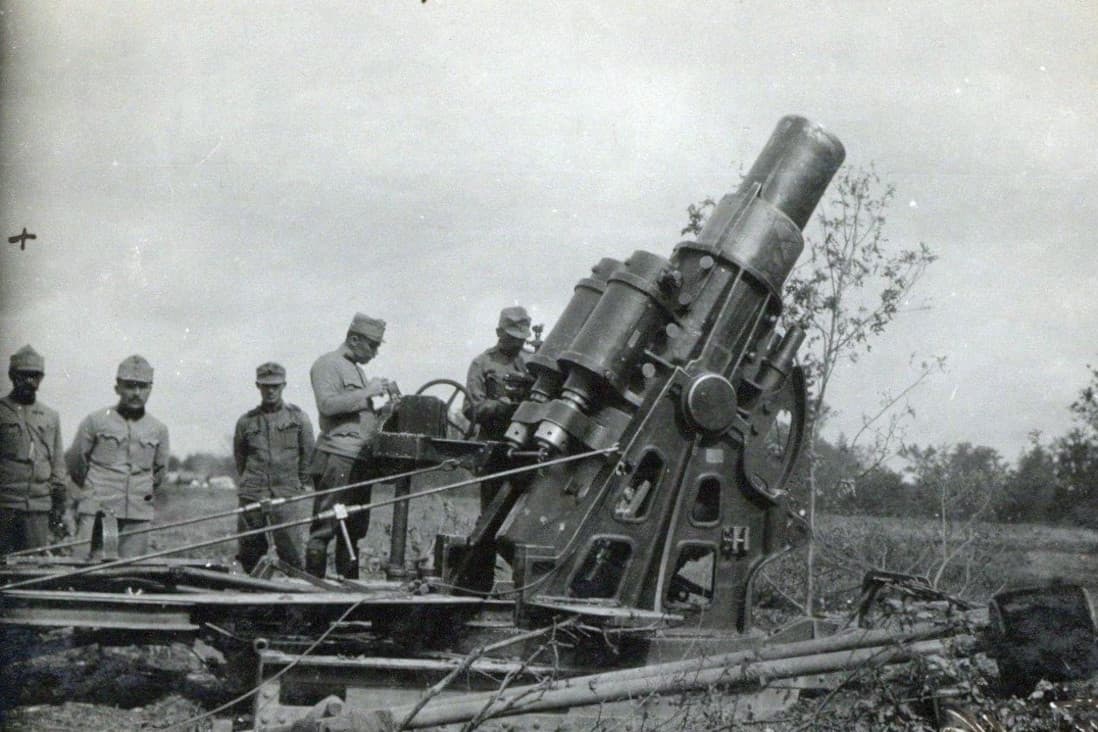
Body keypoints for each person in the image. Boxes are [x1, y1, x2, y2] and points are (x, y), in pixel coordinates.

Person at [304, 313, 397, 579]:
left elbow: (361, 416)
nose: (376, 352)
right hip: (337, 458)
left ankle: (347, 595)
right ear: (354, 339)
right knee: (325, 527)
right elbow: (328, 405)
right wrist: (367, 392)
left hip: (359, 460)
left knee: (353, 530)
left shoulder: (357, 369)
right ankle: (312, 595)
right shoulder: (326, 364)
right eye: (372, 345)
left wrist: (387, 408)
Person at [71, 355, 170, 559]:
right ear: (117, 387)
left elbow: (159, 473)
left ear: (150, 389)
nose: (136, 393)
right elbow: (76, 464)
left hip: (137, 514)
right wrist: (95, 490)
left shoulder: (158, 429)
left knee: (132, 574)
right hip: (97, 511)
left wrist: (139, 492)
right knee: (86, 570)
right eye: (130, 386)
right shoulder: (95, 421)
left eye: (142, 387)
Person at [233, 362, 315, 573]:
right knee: (250, 553)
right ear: (257, 386)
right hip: (253, 493)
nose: (270, 391)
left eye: (275, 386)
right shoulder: (246, 421)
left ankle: (293, 602)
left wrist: (300, 484)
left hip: (285, 493)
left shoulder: (299, 419)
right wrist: (250, 482)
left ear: (283, 385)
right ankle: (252, 601)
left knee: (292, 554)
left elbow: (308, 455)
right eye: (265, 386)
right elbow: (240, 457)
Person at [0, 346, 68, 554]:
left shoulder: (50, 416)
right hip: (5, 504)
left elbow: (57, 462)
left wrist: (59, 504)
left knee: (34, 566)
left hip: (38, 507)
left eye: (35, 376)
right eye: (23, 376)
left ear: (41, 378)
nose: (30, 381)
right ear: (12, 376)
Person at [465, 306, 533, 512]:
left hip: (528, 450)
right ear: (499, 333)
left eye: (522, 338)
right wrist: (501, 407)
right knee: (492, 512)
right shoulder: (482, 363)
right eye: (513, 337)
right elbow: (471, 408)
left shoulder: (532, 362)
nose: (518, 343)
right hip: (495, 451)